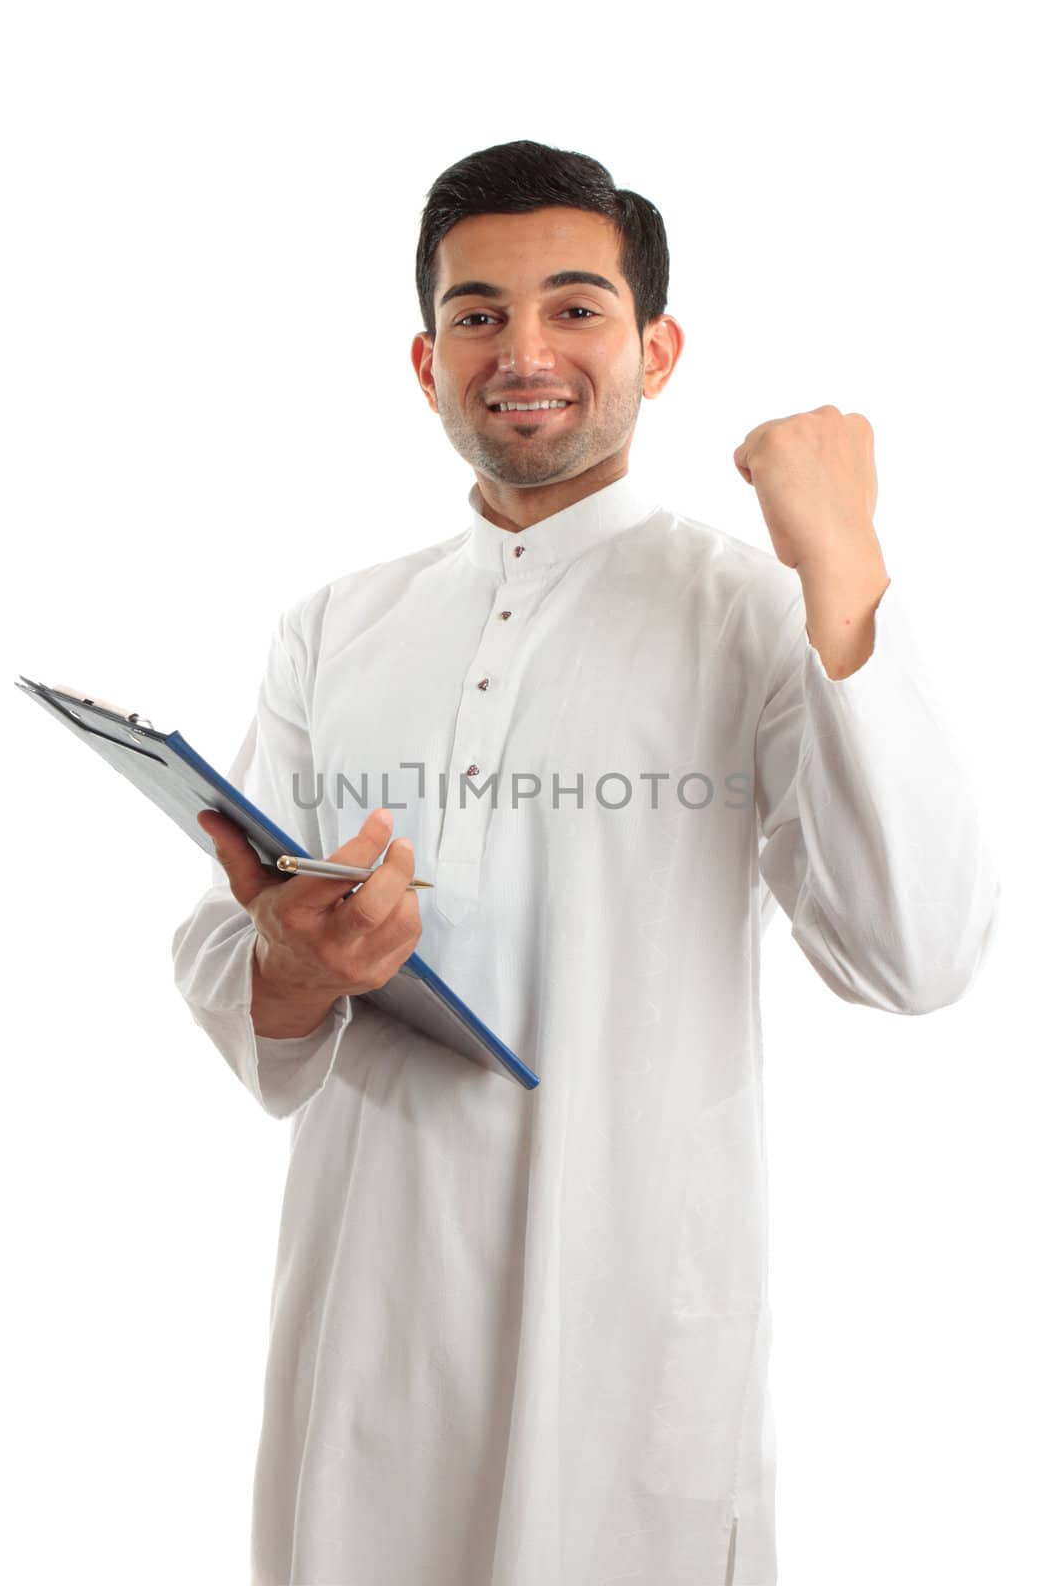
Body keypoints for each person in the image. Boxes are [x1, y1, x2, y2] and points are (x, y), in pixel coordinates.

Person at [172, 139, 1001, 1586]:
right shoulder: (335, 625)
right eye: (476, 314)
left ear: (655, 348)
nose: (521, 350)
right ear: (424, 360)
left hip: (625, 1325)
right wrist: (295, 967)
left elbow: (916, 951)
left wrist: (844, 559)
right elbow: (225, 941)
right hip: (368, 1319)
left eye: (574, 306)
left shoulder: (756, 608)